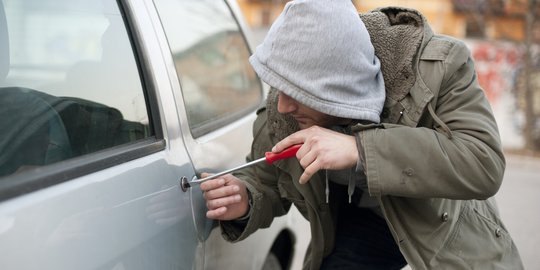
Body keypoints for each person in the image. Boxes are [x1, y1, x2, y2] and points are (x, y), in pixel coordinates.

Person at [200, 0, 524, 269]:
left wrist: (360, 149)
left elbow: (482, 163)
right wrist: (245, 198)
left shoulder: (440, 67)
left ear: (335, 86)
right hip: (363, 228)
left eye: (297, 93)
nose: (282, 106)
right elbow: (269, 178)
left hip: (443, 224)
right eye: (279, 87)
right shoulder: (283, 108)